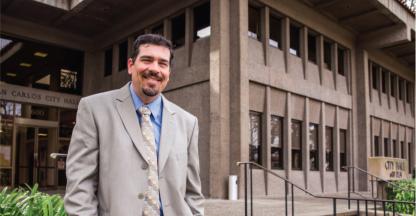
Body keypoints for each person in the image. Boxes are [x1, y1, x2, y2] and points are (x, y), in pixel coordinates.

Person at [64, 34, 204, 216]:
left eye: (162, 63)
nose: (155, 69)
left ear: (169, 72)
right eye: (147, 60)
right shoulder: (94, 109)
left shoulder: (188, 122)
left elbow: (193, 192)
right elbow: (80, 186)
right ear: (131, 65)